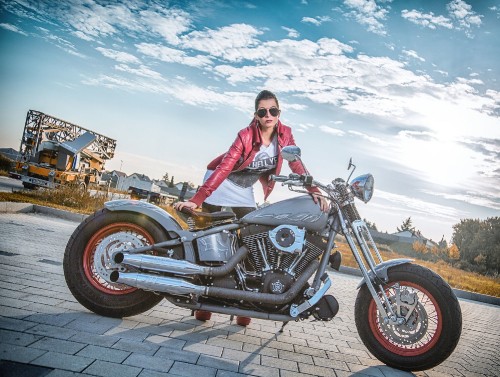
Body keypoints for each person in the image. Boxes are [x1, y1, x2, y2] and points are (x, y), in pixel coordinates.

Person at [174, 90, 329, 326]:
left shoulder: (285, 135)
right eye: (262, 111)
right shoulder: (245, 135)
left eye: (273, 111)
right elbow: (225, 167)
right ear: (256, 114)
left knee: (251, 240)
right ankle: (202, 301)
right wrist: (198, 199)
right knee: (211, 241)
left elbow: (296, 164)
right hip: (220, 183)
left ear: (279, 113)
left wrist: (315, 191)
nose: (268, 115)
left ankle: (244, 304)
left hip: (244, 189)